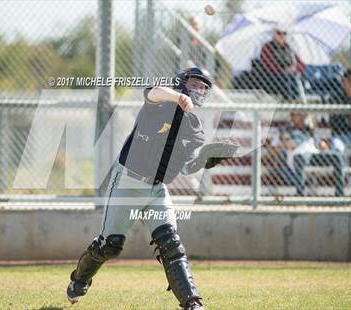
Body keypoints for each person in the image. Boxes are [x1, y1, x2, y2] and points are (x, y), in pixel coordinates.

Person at [66, 67, 238, 310]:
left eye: (203, 87)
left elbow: (190, 166)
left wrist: (209, 159)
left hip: (157, 189)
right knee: (110, 245)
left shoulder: (194, 126)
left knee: (171, 244)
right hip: (127, 182)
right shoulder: (161, 104)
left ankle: (192, 303)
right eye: (194, 84)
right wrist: (177, 97)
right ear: (180, 82)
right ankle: (79, 279)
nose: (199, 90)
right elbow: (153, 92)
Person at [275, 112, 344, 196]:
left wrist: (322, 144)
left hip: (314, 153)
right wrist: (296, 141)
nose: (299, 117)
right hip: (301, 154)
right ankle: (300, 195)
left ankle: (339, 194)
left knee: (336, 156)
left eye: (300, 114)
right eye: (294, 114)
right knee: (299, 158)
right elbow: (289, 144)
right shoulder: (287, 129)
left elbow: (321, 143)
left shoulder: (310, 128)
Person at [259, 27, 305, 100]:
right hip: (274, 77)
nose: (282, 35)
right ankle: (290, 101)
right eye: (279, 33)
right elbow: (268, 65)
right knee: (288, 78)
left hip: (291, 75)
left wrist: (294, 68)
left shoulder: (289, 48)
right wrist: (284, 70)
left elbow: (302, 64)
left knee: (295, 77)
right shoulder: (267, 47)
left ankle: (297, 102)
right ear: (274, 34)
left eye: (284, 33)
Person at [330, 69, 351, 156]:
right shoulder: (337, 99)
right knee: (337, 145)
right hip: (341, 135)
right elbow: (333, 124)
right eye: (347, 82)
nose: (350, 84)